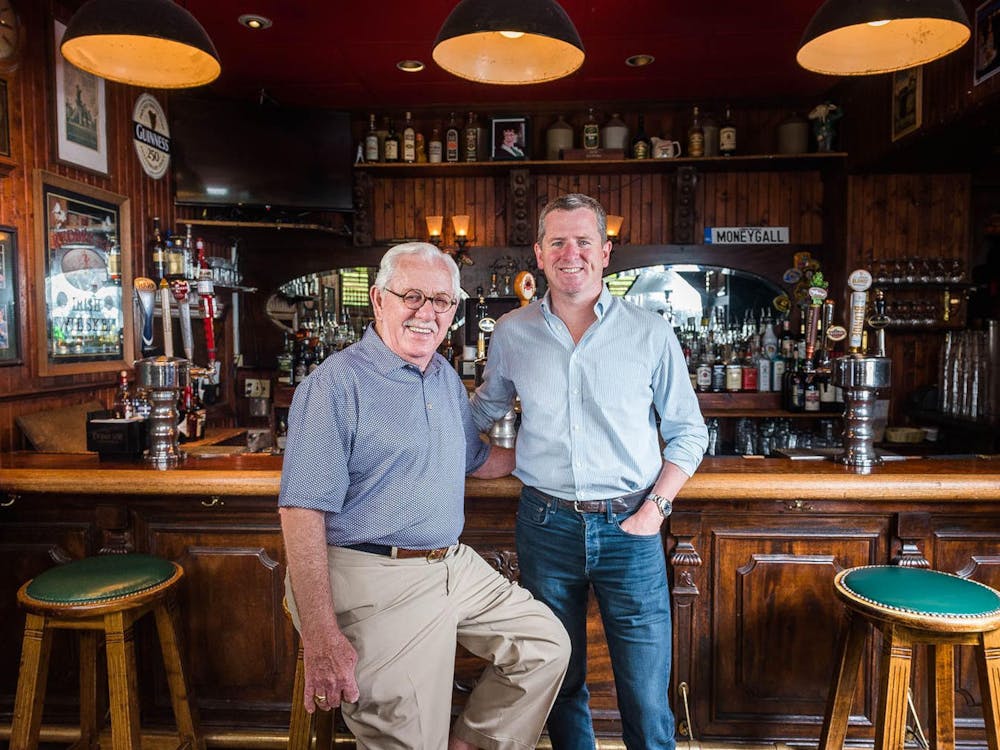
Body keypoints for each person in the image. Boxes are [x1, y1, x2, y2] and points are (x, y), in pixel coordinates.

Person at [279, 242, 570, 750]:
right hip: (372, 574)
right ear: (378, 299)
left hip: (453, 564)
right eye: (412, 295)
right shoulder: (334, 386)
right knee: (411, 739)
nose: (427, 312)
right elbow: (300, 513)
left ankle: (467, 744)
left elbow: (475, 460)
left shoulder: (442, 378)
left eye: (442, 301)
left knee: (545, 646)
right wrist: (322, 636)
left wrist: (551, 451)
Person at [470, 194, 709, 750]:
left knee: (647, 697)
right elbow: (482, 410)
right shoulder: (512, 331)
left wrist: (657, 509)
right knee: (562, 681)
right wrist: (435, 441)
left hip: (633, 527)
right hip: (545, 525)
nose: (570, 252)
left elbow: (689, 432)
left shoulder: (650, 331)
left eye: (583, 242)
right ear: (539, 253)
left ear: (605, 253)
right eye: (557, 241)